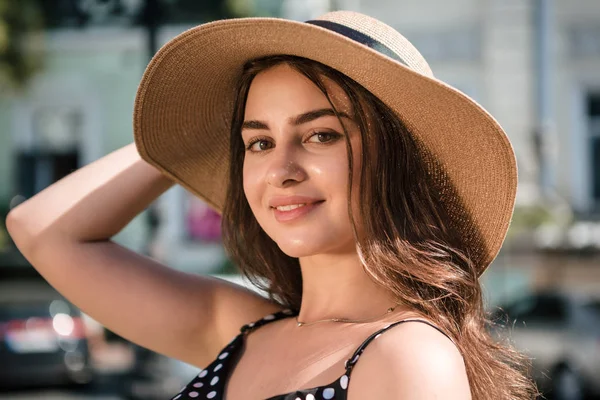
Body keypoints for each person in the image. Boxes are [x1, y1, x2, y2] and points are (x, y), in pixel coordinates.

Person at [6, 10, 538, 400]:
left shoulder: (409, 358)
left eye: (321, 135)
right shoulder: (238, 330)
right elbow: (40, 228)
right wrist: (188, 130)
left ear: (396, 161)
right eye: (258, 143)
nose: (280, 171)